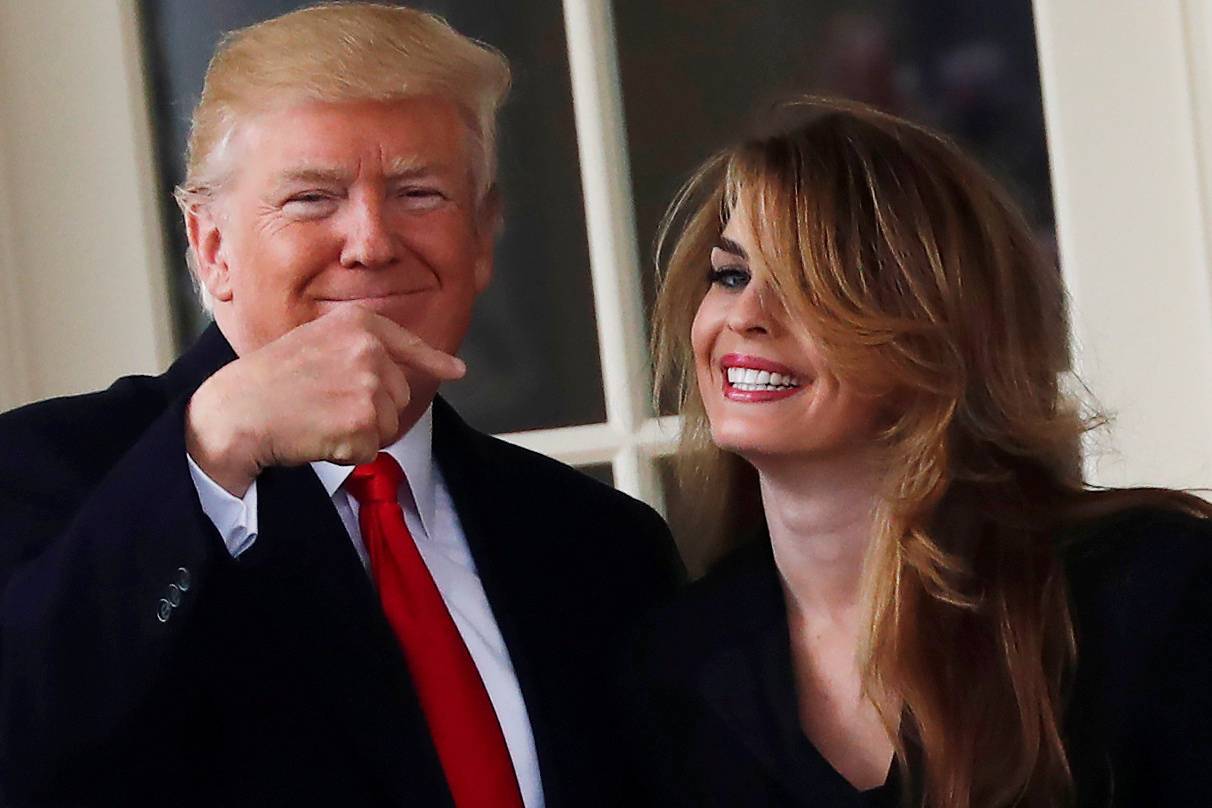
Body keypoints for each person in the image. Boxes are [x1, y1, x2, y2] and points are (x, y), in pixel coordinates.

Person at [0, 5, 681, 807]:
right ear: (212, 246)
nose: (371, 241)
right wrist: (211, 451)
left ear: (485, 235)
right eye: (311, 199)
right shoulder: (51, 475)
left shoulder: (602, 545)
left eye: (419, 193)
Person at [627, 96, 1212, 807]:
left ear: (934, 329)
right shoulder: (675, 662)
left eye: (808, 284)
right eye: (731, 275)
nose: (746, 315)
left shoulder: (1146, 589)